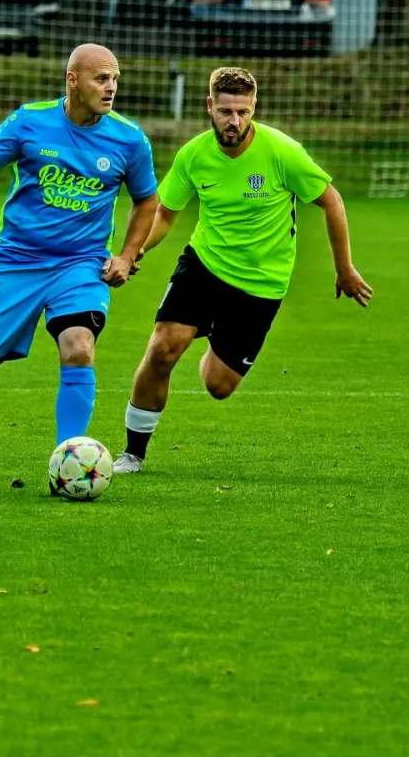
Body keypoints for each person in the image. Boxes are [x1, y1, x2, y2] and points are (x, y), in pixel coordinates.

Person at [114, 66, 372, 475]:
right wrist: (135, 252)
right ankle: (133, 454)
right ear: (210, 107)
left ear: (254, 109)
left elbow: (332, 202)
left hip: (261, 283)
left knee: (219, 386)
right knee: (162, 347)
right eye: (226, 111)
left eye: (243, 112)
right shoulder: (194, 155)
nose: (234, 121)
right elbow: (165, 212)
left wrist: (345, 269)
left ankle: (213, 338)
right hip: (204, 265)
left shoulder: (281, 152)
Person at [0, 44, 158, 476]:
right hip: (17, 261)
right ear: (73, 80)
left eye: (115, 79)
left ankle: (69, 462)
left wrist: (126, 254)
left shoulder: (129, 139)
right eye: (101, 78)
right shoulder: (30, 121)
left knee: (78, 346)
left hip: (81, 264)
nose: (111, 88)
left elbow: (147, 200)